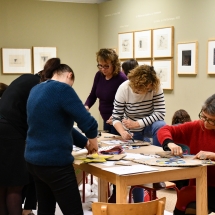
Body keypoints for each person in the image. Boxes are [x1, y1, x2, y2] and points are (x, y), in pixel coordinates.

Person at [24, 58, 98, 215]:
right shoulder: (63, 90)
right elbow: (89, 123)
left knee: (46, 208)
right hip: (54, 164)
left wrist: (85, 143)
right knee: (74, 211)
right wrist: (94, 144)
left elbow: (59, 126)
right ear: (69, 76)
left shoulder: (36, 89)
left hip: (34, 161)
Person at [112, 64, 166, 202]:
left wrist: (139, 123)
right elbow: (116, 118)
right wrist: (123, 132)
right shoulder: (124, 89)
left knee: (161, 126)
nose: (147, 90)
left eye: (149, 88)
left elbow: (160, 113)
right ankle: (139, 204)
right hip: (132, 129)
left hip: (148, 125)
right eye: (143, 88)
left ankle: (160, 166)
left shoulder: (155, 87)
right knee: (137, 168)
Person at [157, 94, 215, 213]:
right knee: (186, 197)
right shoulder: (197, 127)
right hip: (201, 186)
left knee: (187, 195)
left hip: (209, 189)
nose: (205, 122)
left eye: (211, 120)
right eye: (203, 116)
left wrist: (213, 155)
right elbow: (164, 130)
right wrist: (170, 143)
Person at [0, 72, 45, 215]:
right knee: (15, 186)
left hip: (4, 130)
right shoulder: (39, 86)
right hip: (12, 134)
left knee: (2, 186)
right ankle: (26, 210)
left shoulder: (24, 79)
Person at [85, 48, 127, 135]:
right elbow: (93, 95)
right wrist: (86, 106)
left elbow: (128, 102)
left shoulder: (121, 78)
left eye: (106, 66)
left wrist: (117, 117)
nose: (103, 69)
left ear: (114, 64)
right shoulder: (99, 75)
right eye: (100, 66)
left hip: (119, 120)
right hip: (106, 119)